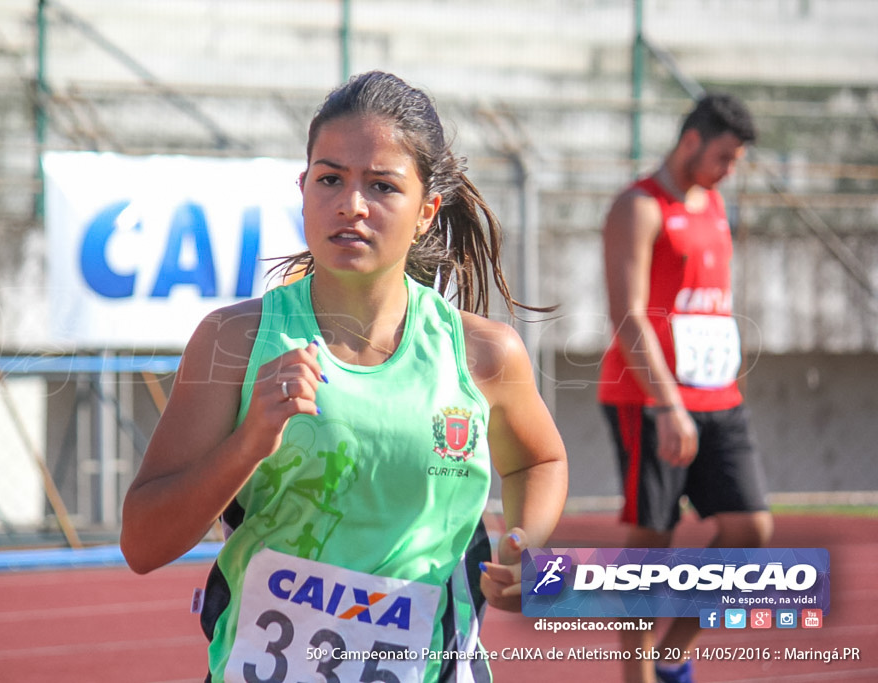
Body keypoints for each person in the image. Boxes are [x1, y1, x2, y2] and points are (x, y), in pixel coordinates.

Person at [121, 71, 568, 683]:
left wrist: (526, 542)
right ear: (303, 189)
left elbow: (537, 461)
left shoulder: (484, 354)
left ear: (426, 212)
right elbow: (144, 545)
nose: (350, 205)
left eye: (382, 186)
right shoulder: (236, 341)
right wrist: (249, 442)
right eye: (330, 178)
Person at [598, 93, 773, 683]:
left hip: (718, 394)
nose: (730, 169)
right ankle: (637, 675)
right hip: (651, 399)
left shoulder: (717, 203)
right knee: (652, 543)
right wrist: (668, 405)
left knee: (750, 529)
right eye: (725, 155)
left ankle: (672, 654)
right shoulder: (638, 207)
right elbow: (628, 315)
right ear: (691, 141)